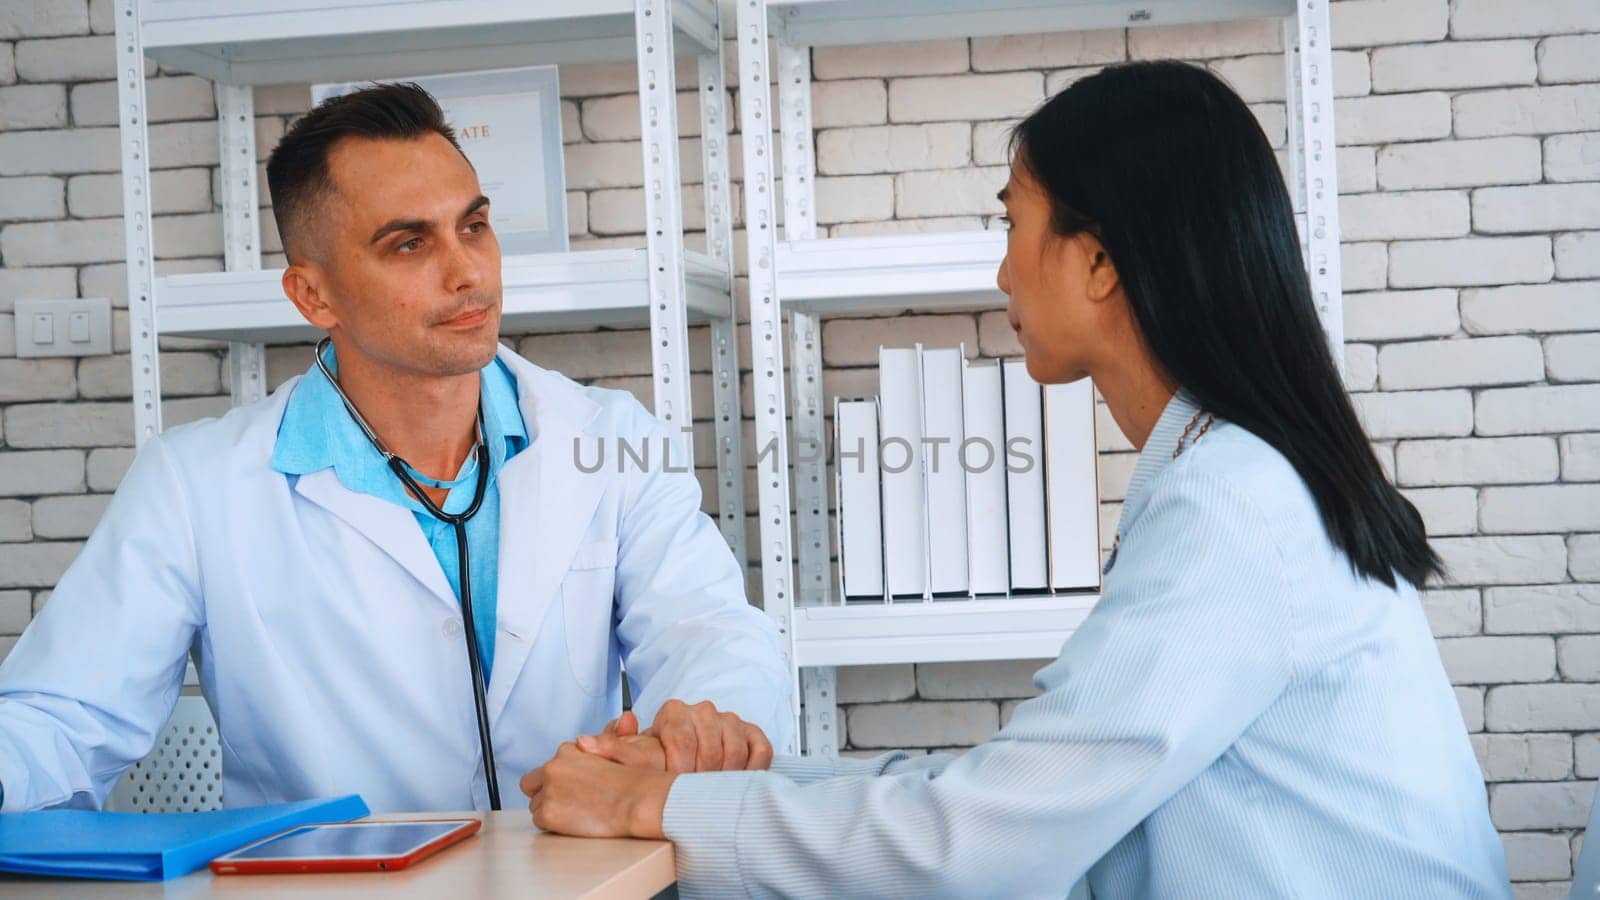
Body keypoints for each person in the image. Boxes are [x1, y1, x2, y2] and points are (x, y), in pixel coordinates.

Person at [518, 61, 1511, 898]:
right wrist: (738, 777)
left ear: (1101, 262)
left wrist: (654, 804)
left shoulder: (1233, 503)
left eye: (1013, 225)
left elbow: (983, 840)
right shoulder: (1234, 471)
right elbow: (1024, 787)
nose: (1001, 273)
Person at [0, 84, 789, 814]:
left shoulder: (612, 441)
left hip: (581, 885)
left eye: (473, 226)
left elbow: (707, 630)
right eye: (409, 245)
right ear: (314, 294)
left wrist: (699, 723)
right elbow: (62, 718)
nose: (467, 272)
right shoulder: (196, 486)